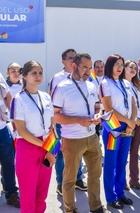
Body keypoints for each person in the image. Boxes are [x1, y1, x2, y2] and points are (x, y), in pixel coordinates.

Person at [52, 53, 104, 213]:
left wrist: (97, 115)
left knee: (95, 175)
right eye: (85, 67)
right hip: (72, 139)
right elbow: (55, 116)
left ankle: (96, 207)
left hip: (92, 137)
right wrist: (78, 120)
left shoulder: (91, 85)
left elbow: (97, 106)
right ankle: (70, 209)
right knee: (69, 179)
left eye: (90, 67)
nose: (89, 71)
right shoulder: (62, 87)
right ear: (74, 66)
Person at [11, 60, 55, 212]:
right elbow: (22, 130)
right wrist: (44, 147)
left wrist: (51, 150)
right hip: (27, 147)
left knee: (41, 194)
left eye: (40, 73)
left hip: (47, 146)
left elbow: (51, 126)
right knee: (28, 195)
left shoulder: (46, 97)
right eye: (33, 73)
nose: (38, 76)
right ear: (24, 76)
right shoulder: (19, 99)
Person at [100, 54, 137, 209]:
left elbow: (133, 103)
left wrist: (132, 122)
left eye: (122, 64)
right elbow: (108, 108)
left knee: (122, 161)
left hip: (127, 127)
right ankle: (110, 197)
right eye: (116, 64)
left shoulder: (125, 83)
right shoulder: (105, 83)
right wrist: (128, 121)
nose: (120, 67)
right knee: (111, 162)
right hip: (113, 128)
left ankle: (120, 193)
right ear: (110, 66)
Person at [49, 48, 87, 196]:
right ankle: (60, 182)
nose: (73, 60)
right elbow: (52, 102)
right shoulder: (58, 78)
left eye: (75, 58)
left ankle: (78, 179)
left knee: (78, 152)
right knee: (62, 154)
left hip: (81, 123)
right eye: (70, 58)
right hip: (63, 122)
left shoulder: (83, 76)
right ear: (63, 61)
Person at [123, 60, 140, 190]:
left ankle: (134, 180)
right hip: (129, 122)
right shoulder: (121, 85)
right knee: (123, 153)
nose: (133, 70)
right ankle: (122, 181)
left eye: (135, 68)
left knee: (135, 152)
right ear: (124, 69)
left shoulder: (137, 86)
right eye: (130, 67)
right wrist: (134, 119)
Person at [0, 73, 19, 208]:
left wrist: (12, 117)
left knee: (8, 163)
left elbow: (7, 95)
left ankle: (11, 194)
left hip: (1, 128)